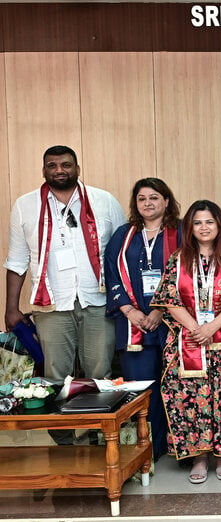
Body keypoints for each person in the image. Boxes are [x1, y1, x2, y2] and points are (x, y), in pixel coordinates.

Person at [4, 145, 125, 444]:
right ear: (44, 170)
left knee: (101, 375)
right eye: (52, 165)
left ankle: (101, 441)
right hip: (51, 304)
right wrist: (11, 308)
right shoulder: (25, 205)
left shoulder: (104, 201)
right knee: (56, 377)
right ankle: (64, 443)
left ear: (77, 168)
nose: (60, 170)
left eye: (66, 164)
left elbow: (122, 253)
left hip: (98, 301)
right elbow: (17, 261)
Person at [150, 200, 221, 483]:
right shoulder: (178, 259)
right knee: (190, 399)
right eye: (197, 222)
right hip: (188, 341)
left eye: (209, 221)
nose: (204, 227)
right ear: (190, 227)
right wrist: (197, 328)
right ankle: (199, 456)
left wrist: (212, 327)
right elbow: (169, 300)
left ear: (219, 224)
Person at [104, 177, 181, 458]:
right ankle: (148, 450)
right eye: (142, 199)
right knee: (142, 391)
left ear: (166, 201)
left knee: (176, 387)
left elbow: (188, 275)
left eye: (154, 197)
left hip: (174, 323)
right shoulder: (124, 236)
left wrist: (160, 308)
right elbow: (111, 274)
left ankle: (179, 446)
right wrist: (130, 310)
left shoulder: (181, 232)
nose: (148, 203)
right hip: (133, 325)